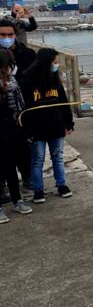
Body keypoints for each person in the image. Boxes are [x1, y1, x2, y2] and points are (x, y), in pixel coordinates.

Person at [20, 48, 74, 204]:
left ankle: (61, 184)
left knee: (58, 157)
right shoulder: (27, 80)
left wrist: (68, 122)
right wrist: (27, 129)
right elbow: (24, 107)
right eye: (54, 62)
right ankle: (38, 190)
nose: (56, 65)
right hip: (37, 128)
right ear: (46, 62)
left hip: (56, 125)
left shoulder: (54, 78)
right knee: (37, 160)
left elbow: (63, 101)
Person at [0, 17, 35, 188]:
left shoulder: (27, 54)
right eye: (2, 35)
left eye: (10, 34)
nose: (7, 38)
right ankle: (4, 183)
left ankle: (27, 176)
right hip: (2, 114)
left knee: (24, 148)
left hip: (23, 110)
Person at [0, 49, 33, 223]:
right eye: (10, 65)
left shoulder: (13, 81)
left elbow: (20, 107)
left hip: (14, 132)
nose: (13, 67)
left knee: (12, 169)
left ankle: (17, 200)